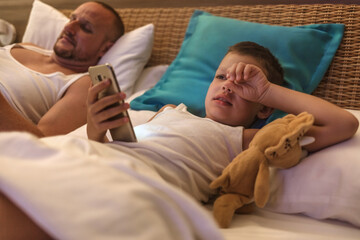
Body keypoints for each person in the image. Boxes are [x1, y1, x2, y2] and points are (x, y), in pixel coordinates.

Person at [0, 41, 358, 239]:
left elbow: (342, 124)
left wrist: (268, 90)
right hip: (82, 157)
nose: (229, 84)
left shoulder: (245, 138)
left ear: (263, 108)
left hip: (125, 184)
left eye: (245, 84)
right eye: (222, 76)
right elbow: (115, 148)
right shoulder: (170, 110)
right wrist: (96, 127)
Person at [0, 1, 124, 137]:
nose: (69, 28)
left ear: (104, 48)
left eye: (85, 27)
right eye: (72, 19)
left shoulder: (83, 85)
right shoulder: (25, 46)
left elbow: (42, 142)